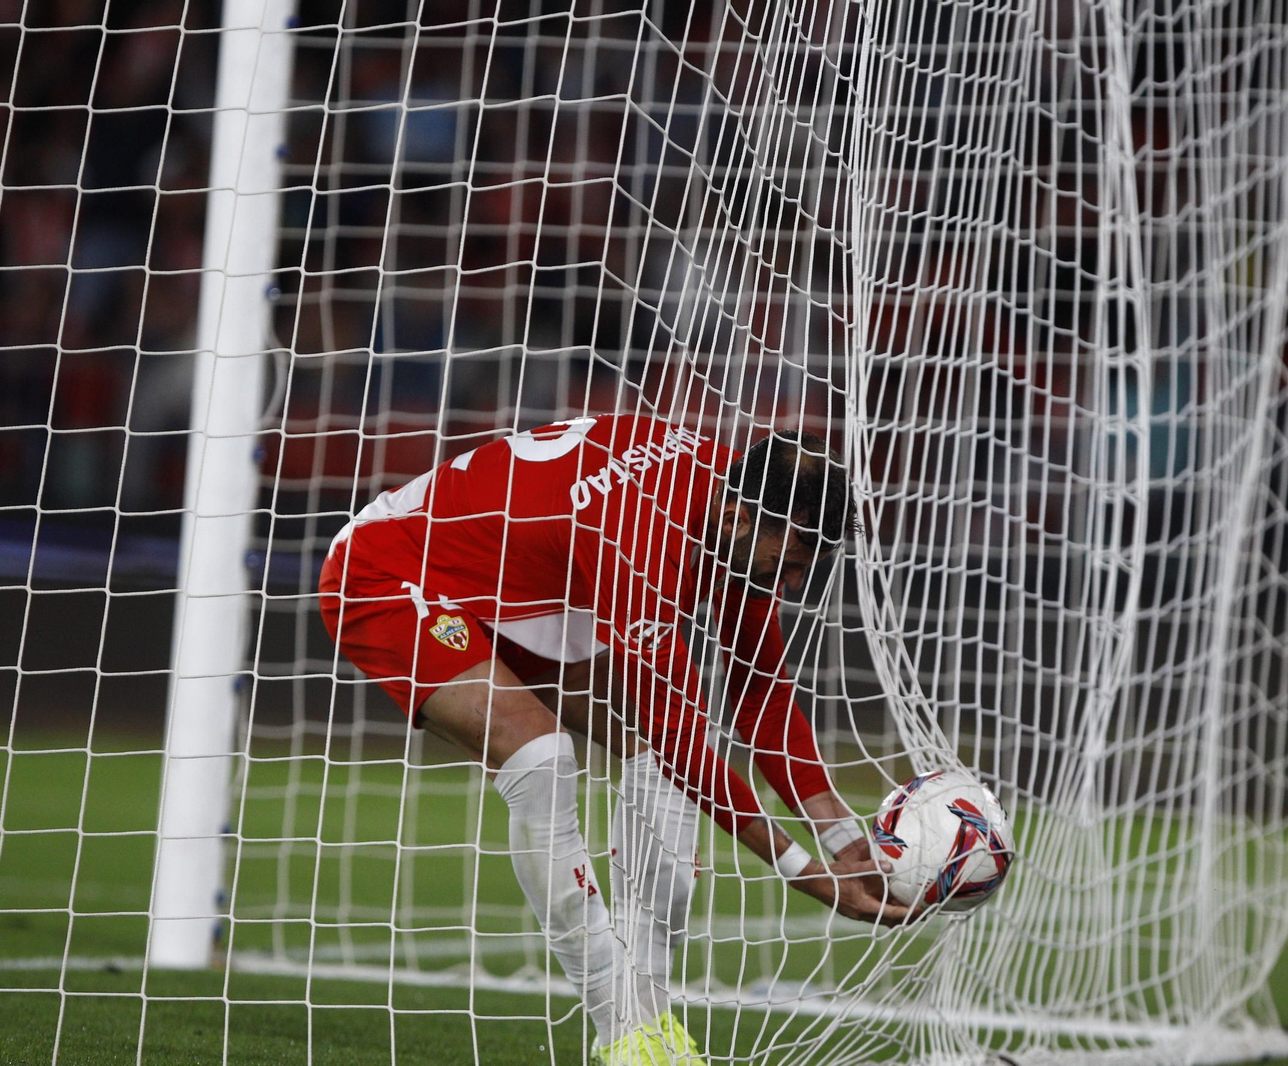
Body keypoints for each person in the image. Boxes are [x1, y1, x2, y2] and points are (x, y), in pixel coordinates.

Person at [319, 414, 911, 1065]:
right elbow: (680, 732)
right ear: (742, 518)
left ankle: (650, 1019)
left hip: (531, 588)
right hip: (396, 571)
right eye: (792, 562)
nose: (793, 583)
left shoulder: (733, 507)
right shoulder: (646, 535)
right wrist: (800, 869)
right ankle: (621, 1029)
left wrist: (840, 839)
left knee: (656, 756)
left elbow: (760, 693)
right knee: (544, 757)